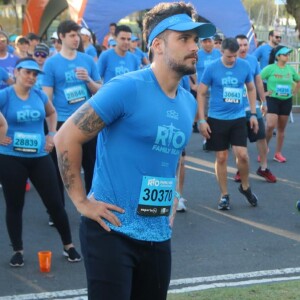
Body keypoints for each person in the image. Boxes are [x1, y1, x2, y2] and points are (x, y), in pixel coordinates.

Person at [54, 2, 215, 299]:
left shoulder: (188, 102)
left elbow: (171, 156)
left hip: (158, 235)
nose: (195, 47)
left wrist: (173, 196)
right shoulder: (126, 88)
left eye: (196, 39)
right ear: (157, 45)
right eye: (184, 39)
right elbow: (66, 138)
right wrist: (80, 202)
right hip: (111, 231)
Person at [0, 58, 81, 267]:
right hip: (11, 157)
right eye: (27, 72)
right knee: (15, 205)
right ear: (17, 72)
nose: (32, 77)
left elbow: (52, 113)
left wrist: (51, 134)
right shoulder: (5, 95)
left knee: (55, 202)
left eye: (35, 74)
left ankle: (68, 246)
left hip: (38, 157)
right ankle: (18, 250)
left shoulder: (38, 94)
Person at [42, 20, 101, 226]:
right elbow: (47, 98)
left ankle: (93, 205)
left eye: (78, 35)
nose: (76, 38)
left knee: (92, 166)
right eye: (72, 35)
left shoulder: (87, 60)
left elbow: (100, 91)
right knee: (62, 169)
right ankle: (56, 211)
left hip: (87, 122)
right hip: (62, 123)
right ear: (61, 37)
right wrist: (50, 128)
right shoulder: (51, 63)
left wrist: (88, 81)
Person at [197, 37, 259, 210]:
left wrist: (253, 113)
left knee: (243, 155)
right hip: (217, 118)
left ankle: (245, 186)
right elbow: (201, 93)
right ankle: (224, 195)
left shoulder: (244, 66)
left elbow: (251, 88)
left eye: (235, 56)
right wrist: (202, 119)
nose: (233, 59)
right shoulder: (212, 68)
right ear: (221, 52)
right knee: (221, 157)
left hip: (238, 116)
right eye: (229, 56)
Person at [234, 34, 276, 183]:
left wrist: (263, 102)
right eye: (240, 45)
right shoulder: (230, 61)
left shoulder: (252, 60)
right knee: (239, 141)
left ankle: (263, 168)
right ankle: (241, 169)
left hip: (252, 106)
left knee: (261, 136)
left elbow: (258, 82)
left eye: (245, 45)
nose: (243, 48)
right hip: (235, 108)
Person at [261, 45, 300, 163]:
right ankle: (264, 149)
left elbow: (298, 80)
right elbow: (257, 80)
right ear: (278, 56)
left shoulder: (290, 69)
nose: (287, 56)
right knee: (270, 126)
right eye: (285, 54)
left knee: (281, 129)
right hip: (273, 99)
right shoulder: (270, 68)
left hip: (286, 100)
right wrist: (265, 93)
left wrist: (295, 91)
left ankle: (278, 153)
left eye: (288, 54)